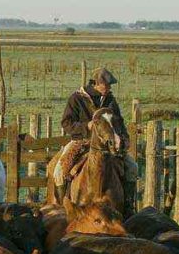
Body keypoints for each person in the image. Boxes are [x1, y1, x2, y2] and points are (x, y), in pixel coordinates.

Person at [57, 67, 138, 214]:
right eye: (105, 85)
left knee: (132, 167)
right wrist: (85, 126)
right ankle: (63, 209)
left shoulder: (110, 101)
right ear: (95, 83)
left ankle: (127, 206)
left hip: (107, 144)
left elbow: (118, 122)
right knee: (59, 172)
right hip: (80, 141)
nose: (108, 88)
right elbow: (66, 123)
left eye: (109, 86)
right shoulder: (76, 98)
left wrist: (124, 138)